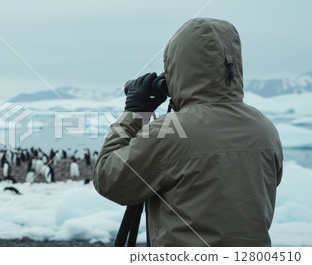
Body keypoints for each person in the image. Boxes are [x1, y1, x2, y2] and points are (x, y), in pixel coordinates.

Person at [93, 18, 283, 247]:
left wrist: (135, 112)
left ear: (177, 68)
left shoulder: (172, 130)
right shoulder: (263, 128)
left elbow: (108, 179)